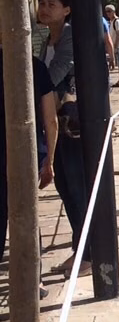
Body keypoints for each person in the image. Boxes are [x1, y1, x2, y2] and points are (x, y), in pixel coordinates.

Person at [35, 0, 88, 276]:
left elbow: (52, 78)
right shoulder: (48, 40)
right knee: (65, 188)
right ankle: (80, 250)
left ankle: (89, 254)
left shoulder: (68, 39)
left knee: (77, 188)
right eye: (42, 3)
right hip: (55, 124)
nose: (44, 8)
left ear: (66, 10)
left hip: (72, 126)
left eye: (51, 4)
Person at [0, 47, 58, 268]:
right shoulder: (36, 67)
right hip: (26, 152)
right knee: (26, 214)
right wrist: (50, 160)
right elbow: (50, 120)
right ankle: (34, 275)